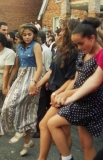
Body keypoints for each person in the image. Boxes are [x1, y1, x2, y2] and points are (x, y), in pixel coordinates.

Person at [48, 18, 103, 160]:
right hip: (80, 97)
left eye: (81, 43)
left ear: (92, 38)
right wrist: (63, 93)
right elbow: (78, 80)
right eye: (76, 44)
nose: (79, 47)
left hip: (89, 101)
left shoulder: (100, 55)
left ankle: (66, 158)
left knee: (52, 123)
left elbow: (94, 84)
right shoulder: (82, 54)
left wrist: (68, 96)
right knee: (86, 144)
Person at [37, 19, 79, 160]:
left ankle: (45, 158)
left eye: (62, 29)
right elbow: (51, 71)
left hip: (63, 94)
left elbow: (72, 78)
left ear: (69, 32)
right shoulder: (61, 49)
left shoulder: (74, 52)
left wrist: (59, 93)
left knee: (45, 124)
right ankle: (64, 157)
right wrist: (37, 84)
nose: (59, 32)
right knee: (64, 131)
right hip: (56, 92)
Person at [0, 23, 42, 156]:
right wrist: (8, 84)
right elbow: (16, 67)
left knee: (26, 109)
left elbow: (40, 67)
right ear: (21, 35)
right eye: (24, 34)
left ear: (34, 34)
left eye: (29, 34)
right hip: (20, 77)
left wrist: (34, 83)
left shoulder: (36, 46)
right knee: (7, 105)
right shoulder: (18, 46)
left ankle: (23, 135)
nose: (27, 37)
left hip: (32, 78)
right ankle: (27, 140)